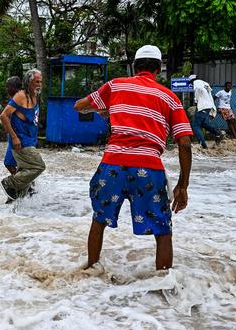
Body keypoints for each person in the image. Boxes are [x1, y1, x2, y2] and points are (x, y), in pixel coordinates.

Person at [74, 45, 192, 270]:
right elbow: (184, 143)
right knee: (162, 230)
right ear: (158, 69)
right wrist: (183, 185)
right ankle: (164, 285)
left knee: (99, 220)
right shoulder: (169, 97)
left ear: (135, 66)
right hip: (148, 169)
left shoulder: (115, 85)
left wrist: (104, 110)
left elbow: (79, 106)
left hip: (112, 167)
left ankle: (90, 271)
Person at [0, 69, 45, 203]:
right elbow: (3, 116)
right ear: (29, 82)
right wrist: (14, 137)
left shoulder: (34, 96)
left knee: (24, 170)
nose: (39, 84)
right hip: (21, 141)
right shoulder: (20, 96)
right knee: (38, 166)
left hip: (29, 139)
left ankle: (13, 203)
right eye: (37, 82)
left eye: (40, 82)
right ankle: (10, 183)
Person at [189, 74, 222, 149]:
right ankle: (217, 132)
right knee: (204, 124)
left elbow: (198, 89)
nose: (191, 84)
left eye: (190, 83)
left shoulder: (196, 82)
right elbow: (210, 92)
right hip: (209, 106)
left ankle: (203, 145)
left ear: (192, 80)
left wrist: (196, 100)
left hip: (203, 106)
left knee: (195, 125)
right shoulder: (205, 83)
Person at [3, 76, 22, 175]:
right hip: (16, 136)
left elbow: (4, 116)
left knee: (9, 163)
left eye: (8, 86)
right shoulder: (21, 98)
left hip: (17, 136)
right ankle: (29, 187)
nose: (6, 89)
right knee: (21, 164)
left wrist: (14, 136)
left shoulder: (18, 100)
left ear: (13, 87)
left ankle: (22, 185)